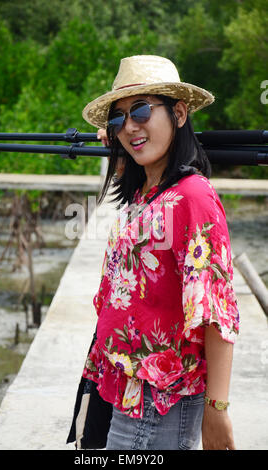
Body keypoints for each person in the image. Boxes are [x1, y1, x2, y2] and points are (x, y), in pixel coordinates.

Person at [81, 55, 239, 450]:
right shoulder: (147, 192)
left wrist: (216, 410)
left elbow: (215, 311)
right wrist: (123, 141)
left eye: (141, 111)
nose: (130, 125)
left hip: (158, 404)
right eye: (117, 119)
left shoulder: (193, 196)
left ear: (179, 113)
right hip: (125, 390)